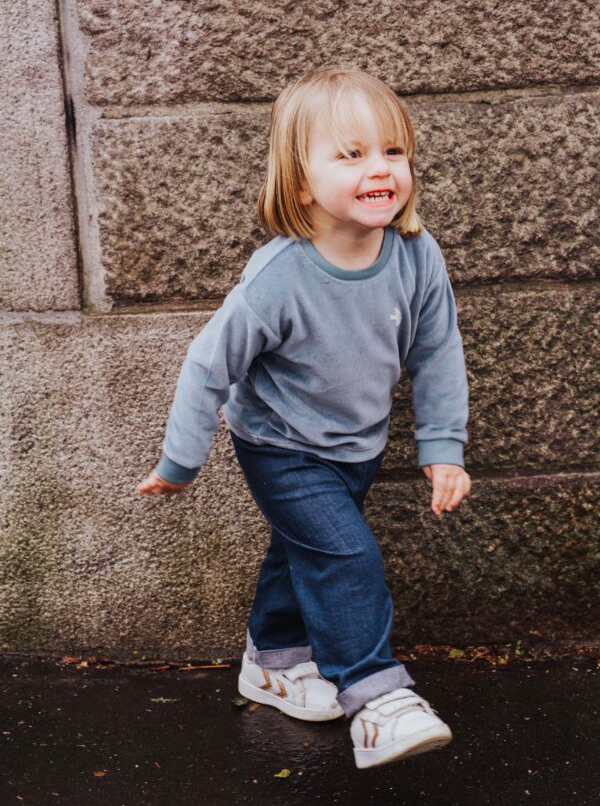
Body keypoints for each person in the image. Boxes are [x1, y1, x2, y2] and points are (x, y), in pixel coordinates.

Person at [138, 65, 471, 770]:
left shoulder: (415, 254)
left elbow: (438, 351)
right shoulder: (279, 277)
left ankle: (274, 661)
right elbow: (208, 366)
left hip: (357, 445)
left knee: (303, 553)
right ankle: (376, 699)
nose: (379, 168)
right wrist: (180, 461)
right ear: (299, 183)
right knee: (344, 554)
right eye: (350, 155)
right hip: (283, 447)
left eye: (392, 151)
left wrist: (444, 446)